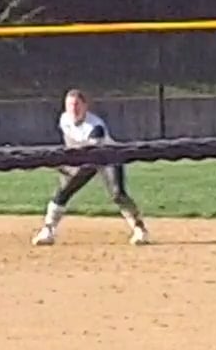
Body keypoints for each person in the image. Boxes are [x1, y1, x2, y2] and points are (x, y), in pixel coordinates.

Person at [33, 89, 150, 246]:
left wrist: (70, 166)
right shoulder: (64, 119)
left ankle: (140, 229)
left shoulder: (95, 127)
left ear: (85, 106)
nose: (73, 109)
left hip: (108, 158)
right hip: (84, 158)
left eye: (77, 105)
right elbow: (71, 144)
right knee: (63, 191)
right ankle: (48, 230)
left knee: (117, 194)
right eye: (69, 105)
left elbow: (91, 154)